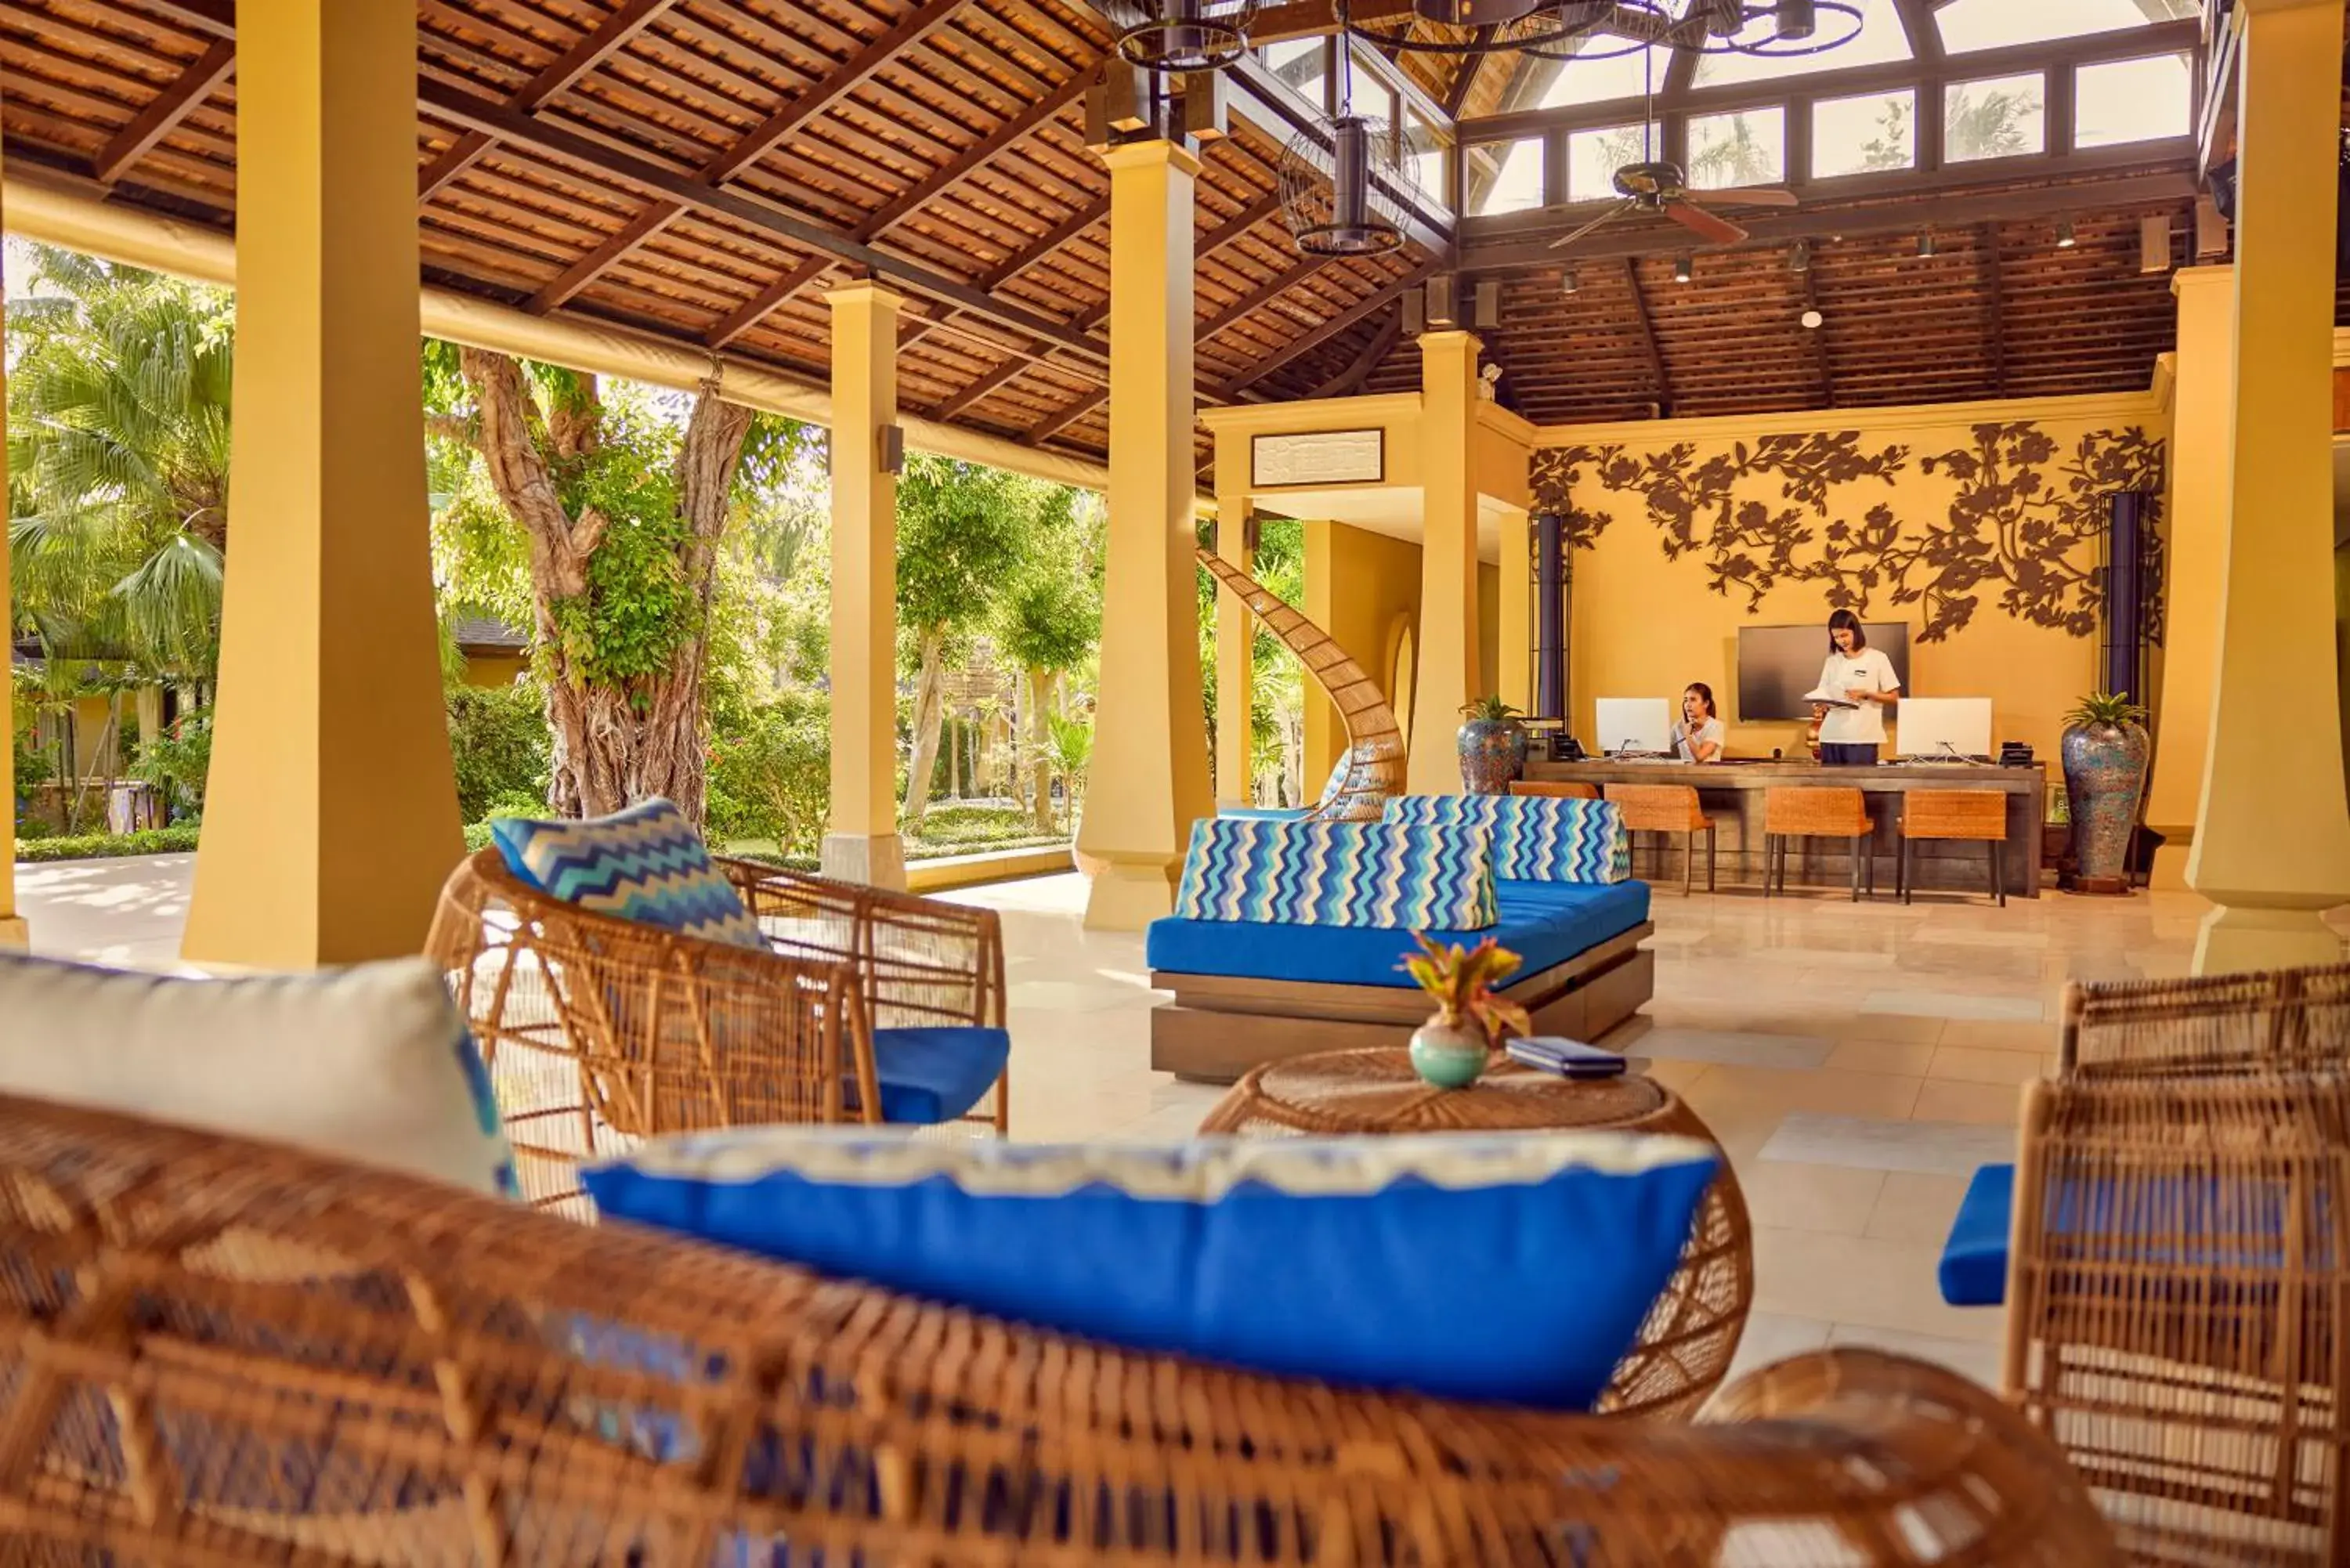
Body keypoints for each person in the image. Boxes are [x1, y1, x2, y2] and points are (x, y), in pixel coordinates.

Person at [1811, 609, 1900, 766]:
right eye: (1836, 637)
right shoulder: (1832, 662)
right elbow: (1823, 693)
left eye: (1844, 635)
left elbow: (1894, 697)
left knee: (1860, 787)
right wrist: (1821, 704)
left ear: (1856, 631)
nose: (1841, 641)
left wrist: (1866, 694)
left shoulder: (1877, 658)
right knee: (1832, 790)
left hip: (1862, 738)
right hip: (1830, 736)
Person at [1672, 682, 1724, 763]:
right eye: (1686, 700)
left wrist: (1688, 735)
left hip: (1709, 774)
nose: (1688, 705)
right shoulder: (1678, 726)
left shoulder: (1716, 726)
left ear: (1706, 703)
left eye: (1693, 700)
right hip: (1684, 774)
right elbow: (1662, 749)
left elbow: (1700, 757)